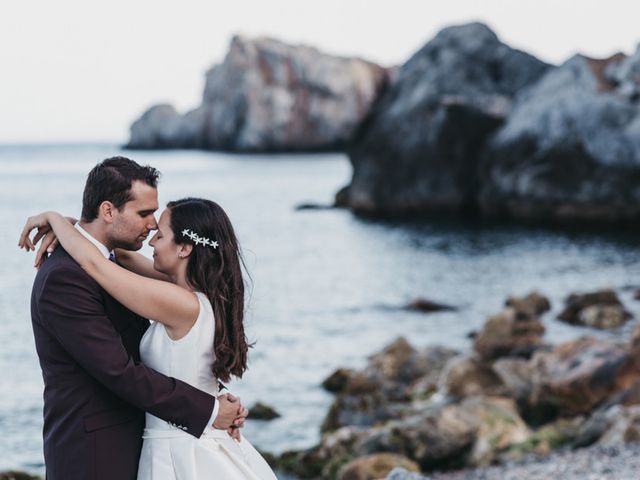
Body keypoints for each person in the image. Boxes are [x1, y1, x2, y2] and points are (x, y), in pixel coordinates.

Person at [20, 157, 274, 479]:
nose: (153, 226)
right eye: (144, 213)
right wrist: (210, 407)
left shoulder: (162, 291)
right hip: (97, 455)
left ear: (185, 249)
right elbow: (120, 371)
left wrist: (59, 221)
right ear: (109, 211)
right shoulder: (67, 278)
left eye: (158, 224)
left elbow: (101, 265)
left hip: (167, 447)